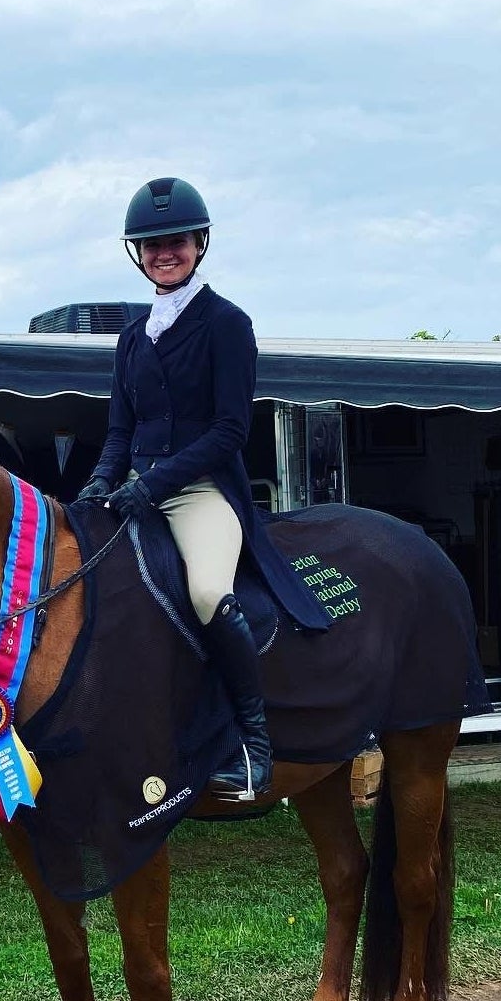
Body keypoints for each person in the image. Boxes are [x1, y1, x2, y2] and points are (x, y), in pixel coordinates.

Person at [77, 177, 331, 799]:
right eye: (152, 243)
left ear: (199, 244)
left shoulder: (226, 323)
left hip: (200, 490)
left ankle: (253, 742)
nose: (165, 252)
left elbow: (228, 431)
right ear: (137, 252)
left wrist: (154, 483)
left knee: (209, 591)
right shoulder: (133, 336)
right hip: (135, 486)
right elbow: (119, 428)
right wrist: (99, 483)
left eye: (176, 241)